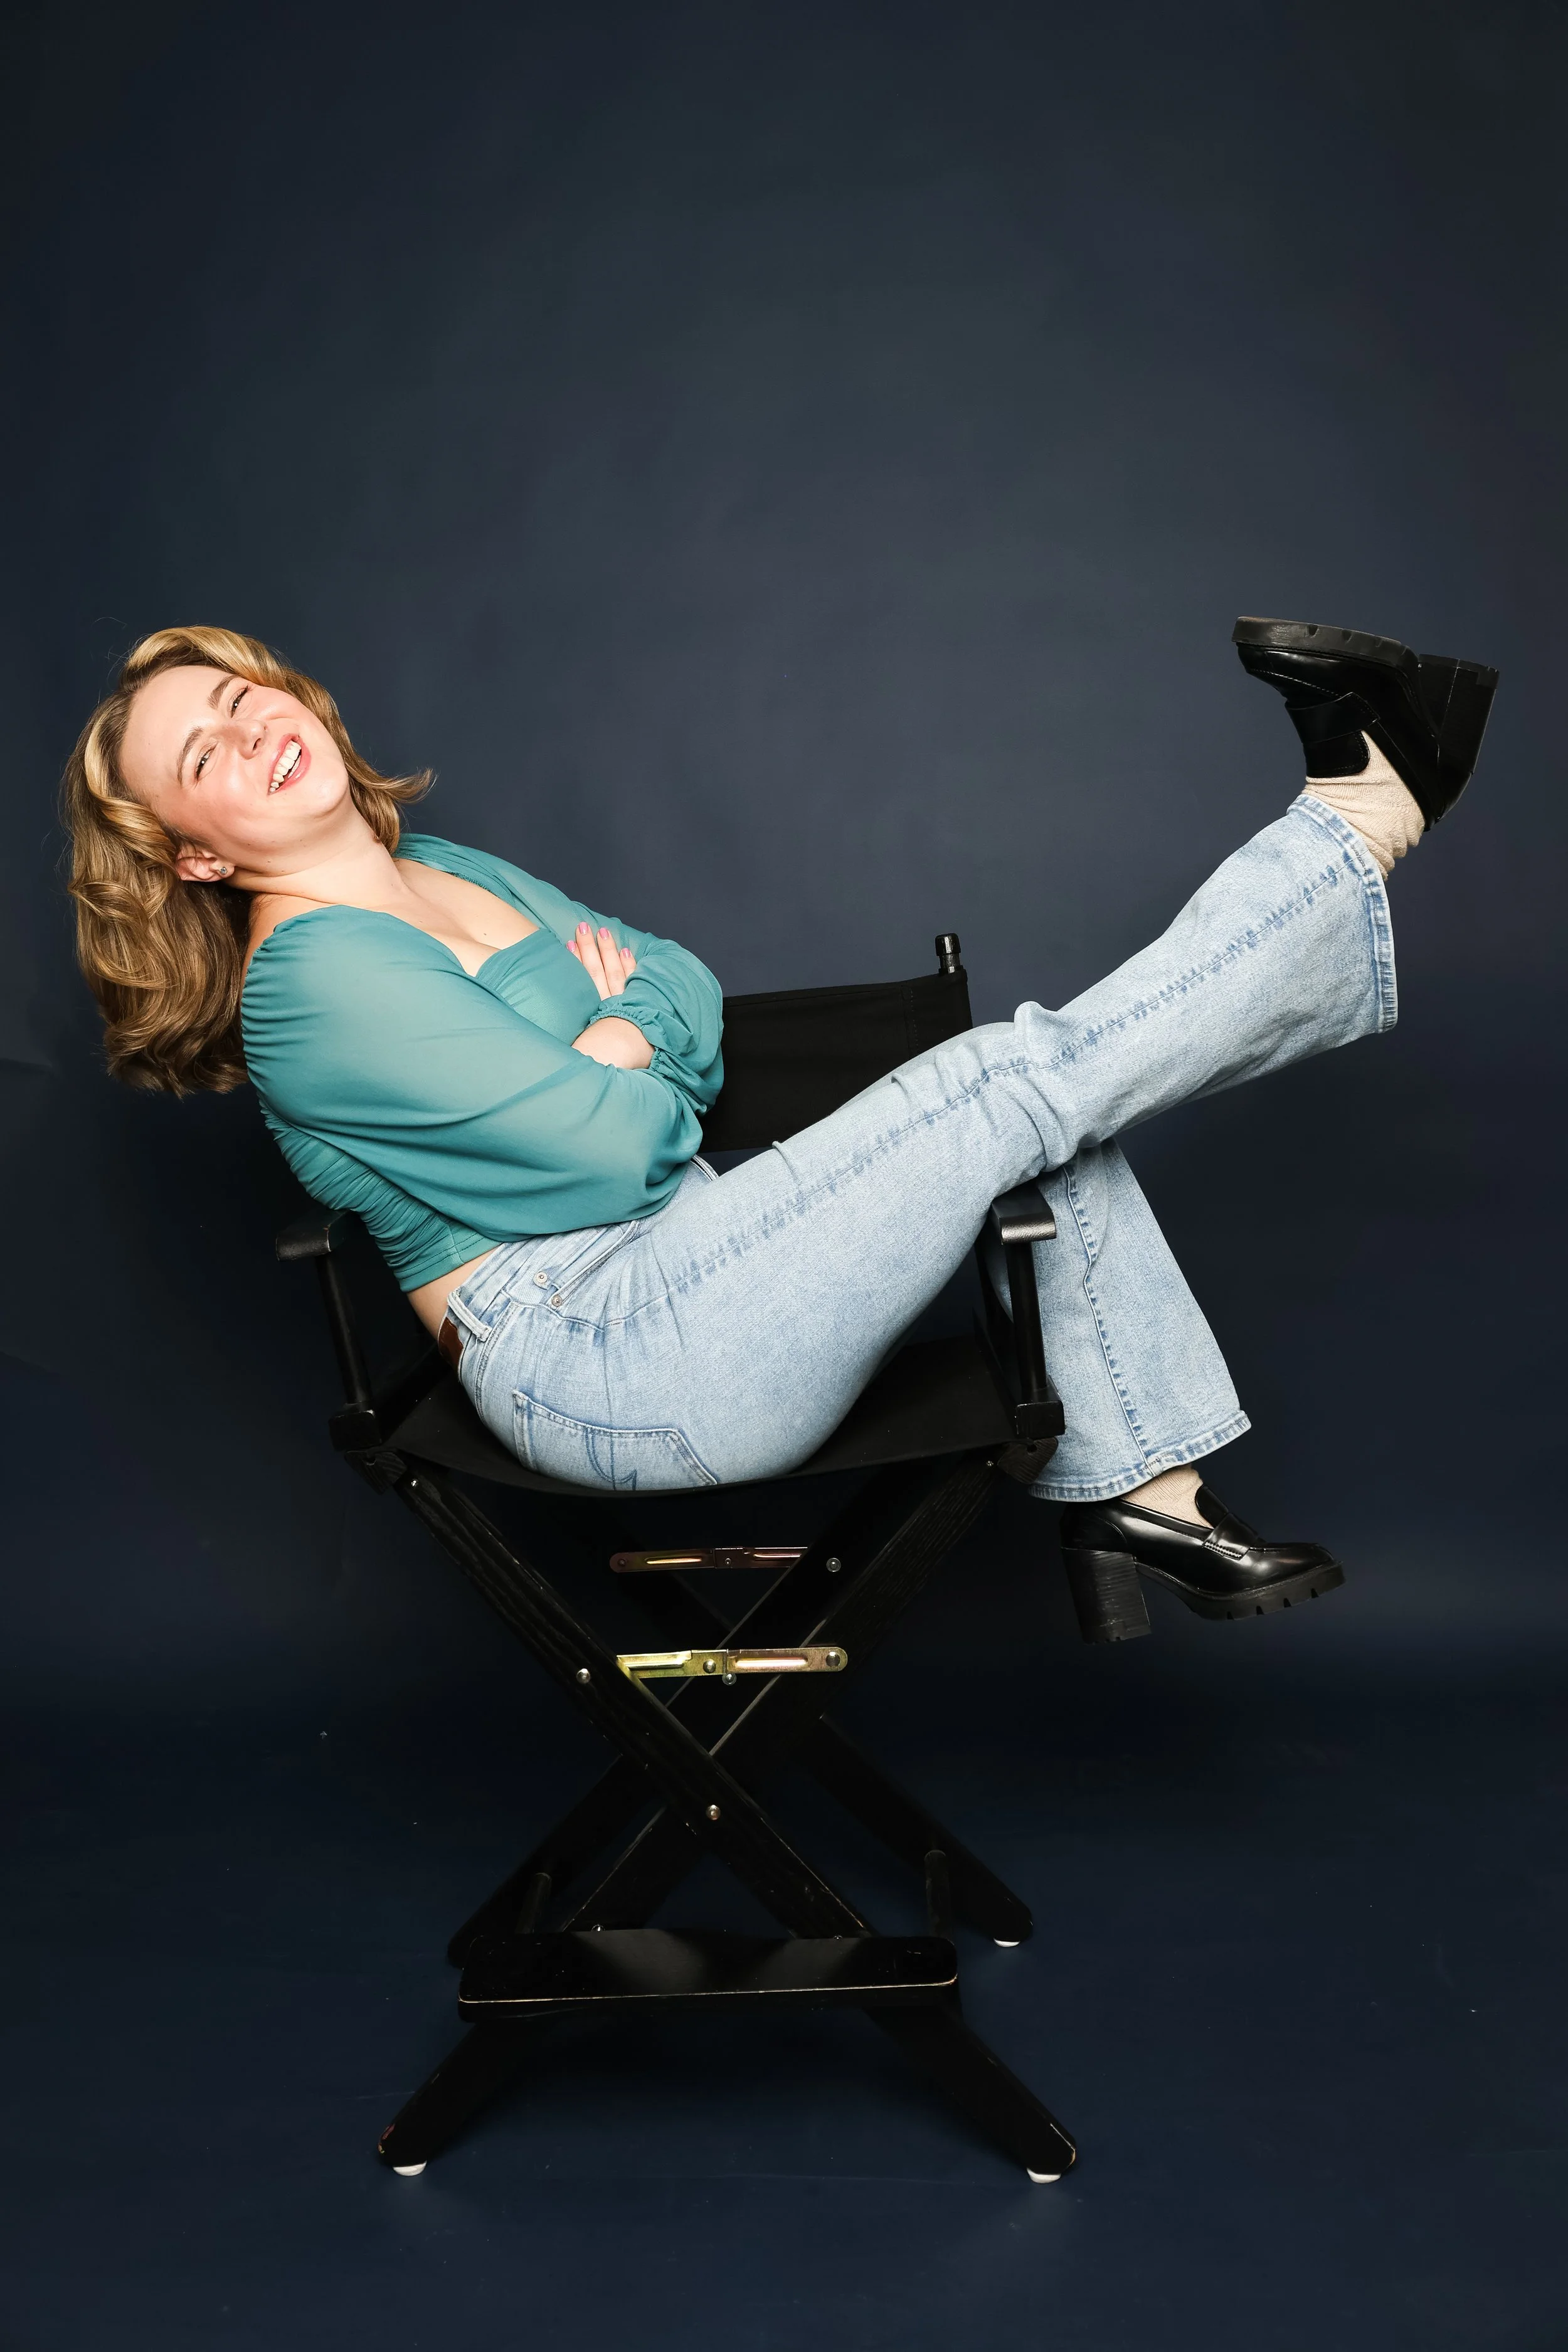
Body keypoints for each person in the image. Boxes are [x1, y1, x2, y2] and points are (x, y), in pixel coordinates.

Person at [61, 618, 1497, 1621]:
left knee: (1042, 1122)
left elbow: (687, 992)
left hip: (689, 1265)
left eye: (248, 700)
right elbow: (623, 1144)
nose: (253, 735)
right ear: (194, 851)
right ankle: (1364, 818)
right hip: (597, 1356)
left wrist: (630, 1046)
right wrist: (621, 1045)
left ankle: (1143, 1491)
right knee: (1002, 1077)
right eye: (206, 756)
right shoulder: (312, 980)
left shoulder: (438, 864)